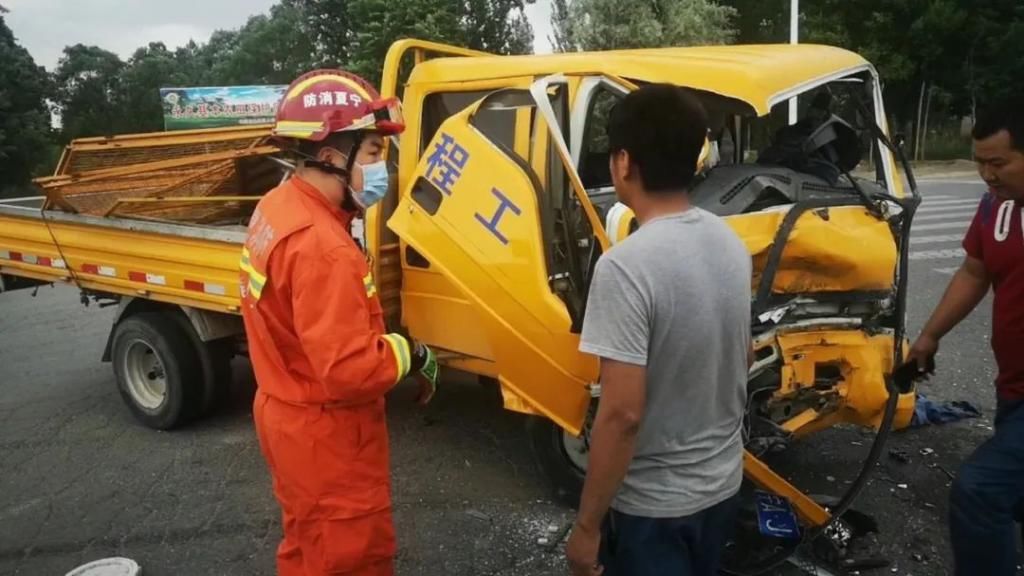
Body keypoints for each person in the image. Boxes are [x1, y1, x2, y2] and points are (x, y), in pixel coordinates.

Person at [239, 69, 439, 576]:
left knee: (307, 542)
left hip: (286, 414)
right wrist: (407, 352)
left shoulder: (277, 207)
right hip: (328, 436)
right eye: (372, 153)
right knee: (352, 557)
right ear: (330, 156)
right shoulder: (323, 249)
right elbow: (348, 370)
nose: (381, 168)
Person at [565, 84, 753, 576]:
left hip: (655, 510)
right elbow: (742, 357)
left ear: (624, 162)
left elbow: (622, 414)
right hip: (722, 487)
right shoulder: (730, 243)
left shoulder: (626, 266)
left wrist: (587, 527)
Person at [906, 101, 1024, 576]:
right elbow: (975, 271)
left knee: (981, 490)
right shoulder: (996, 206)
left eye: (998, 163)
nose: (987, 175)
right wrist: (929, 337)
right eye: (979, 162)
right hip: (1013, 387)